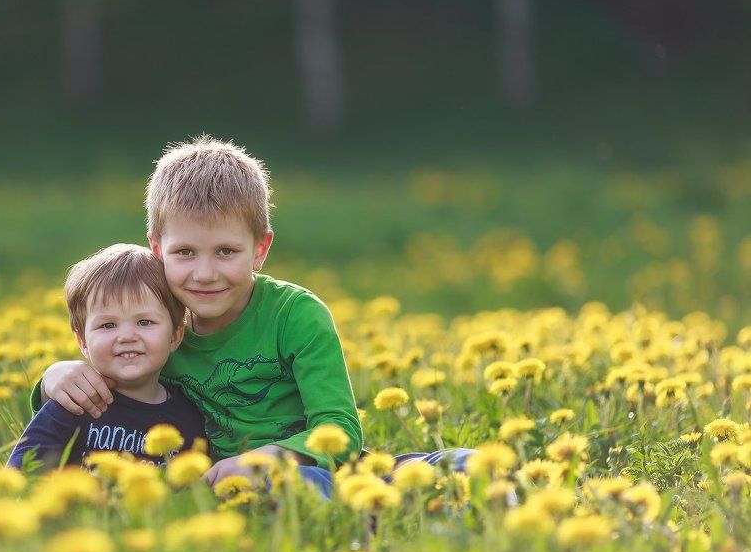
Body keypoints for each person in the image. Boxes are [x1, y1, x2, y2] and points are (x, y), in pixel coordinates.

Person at [32, 136, 472, 492]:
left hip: (325, 469)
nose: (205, 274)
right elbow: (110, 384)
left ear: (260, 249)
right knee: (287, 494)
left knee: (463, 466)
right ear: (157, 249)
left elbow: (340, 430)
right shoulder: (157, 329)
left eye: (226, 251)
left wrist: (269, 458)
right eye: (185, 252)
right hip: (228, 489)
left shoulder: (297, 315)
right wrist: (52, 378)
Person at [7, 244, 205, 470]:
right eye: (108, 325)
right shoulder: (76, 404)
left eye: (145, 322)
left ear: (176, 335)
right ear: (83, 341)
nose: (127, 336)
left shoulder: (190, 418)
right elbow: (21, 475)